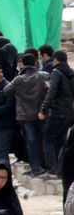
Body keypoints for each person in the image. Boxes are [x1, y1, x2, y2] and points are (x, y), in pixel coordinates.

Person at [2, 53, 49, 177]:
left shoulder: (19, 79)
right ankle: (44, 166)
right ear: (35, 63)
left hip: (25, 116)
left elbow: (6, 91)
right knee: (42, 141)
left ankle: (35, 167)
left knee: (31, 142)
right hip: (41, 114)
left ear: (23, 63)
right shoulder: (43, 76)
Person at [39, 50, 74, 179]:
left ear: (55, 60)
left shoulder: (56, 72)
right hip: (68, 113)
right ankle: (60, 170)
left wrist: (43, 110)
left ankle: (52, 170)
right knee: (61, 141)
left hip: (57, 111)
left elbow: (51, 93)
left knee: (48, 140)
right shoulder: (71, 73)